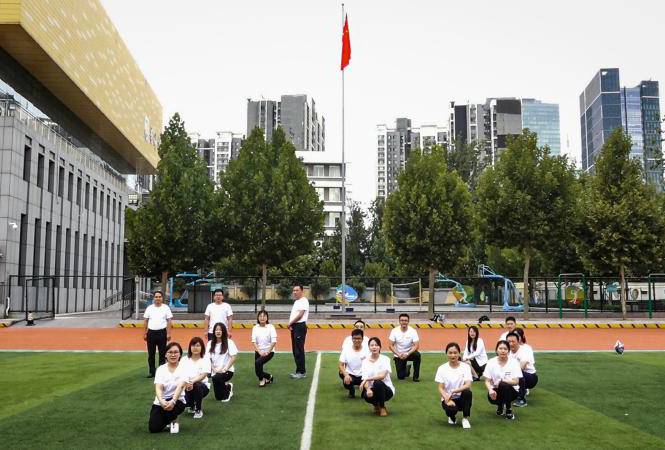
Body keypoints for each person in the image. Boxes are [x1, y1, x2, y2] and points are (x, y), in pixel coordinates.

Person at [148, 342, 187, 434]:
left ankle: (174, 419)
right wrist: (161, 401)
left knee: (172, 409)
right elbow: (159, 387)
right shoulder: (160, 369)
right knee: (153, 428)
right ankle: (169, 418)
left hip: (177, 401)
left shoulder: (184, 368)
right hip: (161, 401)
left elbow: (180, 386)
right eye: (170, 352)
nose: (173, 355)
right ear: (165, 354)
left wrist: (173, 401)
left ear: (180, 354)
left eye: (176, 352)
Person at [435, 342, 473, 429]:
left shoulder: (465, 367)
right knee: (451, 410)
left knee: (468, 392)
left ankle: (465, 418)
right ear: (446, 354)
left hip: (461, 397)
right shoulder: (442, 368)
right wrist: (447, 399)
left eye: (455, 353)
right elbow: (440, 387)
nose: (453, 355)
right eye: (450, 353)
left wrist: (453, 391)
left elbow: (468, 384)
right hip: (448, 398)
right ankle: (452, 417)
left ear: (459, 353)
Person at [484, 340, 522, 420]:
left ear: (508, 351)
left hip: (512, 391)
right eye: (500, 348)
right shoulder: (491, 362)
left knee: (504, 385)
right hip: (496, 390)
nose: (503, 351)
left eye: (505, 349)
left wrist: (502, 381)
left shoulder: (514, 362)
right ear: (496, 350)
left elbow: (516, 381)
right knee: (493, 396)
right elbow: (487, 381)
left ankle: (509, 409)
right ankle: (500, 405)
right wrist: (490, 390)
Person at [360, 337, 395, 416]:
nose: (374, 347)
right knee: (366, 395)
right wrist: (368, 389)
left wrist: (367, 379)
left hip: (386, 390)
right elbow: (365, 377)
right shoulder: (365, 361)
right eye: (372, 345)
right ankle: (376, 405)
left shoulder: (385, 359)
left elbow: (382, 376)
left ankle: (382, 407)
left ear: (380, 347)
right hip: (373, 389)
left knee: (377, 383)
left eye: (376, 345)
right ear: (369, 347)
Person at [143, 290, 173, 378]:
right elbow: (145, 321)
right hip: (151, 333)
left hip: (162, 333)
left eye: (159, 297)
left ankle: (161, 372)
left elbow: (169, 321)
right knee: (151, 353)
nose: (158, 298)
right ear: (153, 298)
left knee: (162, 353)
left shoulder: (166, 308)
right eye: (156, 297)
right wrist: (144, 333)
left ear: (162, 298)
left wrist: (168, 333)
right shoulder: (149, 308)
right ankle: (152, 372)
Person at [180, 337, 211, 419]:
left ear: (202, 347)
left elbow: (203, 375)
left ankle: (198, 409)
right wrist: (187, 383)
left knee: (198, 385)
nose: (195, 348)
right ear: (190, 347)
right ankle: (191, 405)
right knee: (184, 403)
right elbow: (181, 374)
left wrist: (191, 382)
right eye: (193, 345)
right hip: (186, 386)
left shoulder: (205, 359)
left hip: (202, 387)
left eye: (198, 345)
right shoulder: (184, 359)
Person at [207, 322, 238, 402]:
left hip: (227, 371)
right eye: (216, 330)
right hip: (215, 372)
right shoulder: (210, 343)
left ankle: (227, 393)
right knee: (218, 397)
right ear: (214, 332)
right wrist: (214, 369)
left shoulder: (229, 342)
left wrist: (225, 369)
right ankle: (228, 386)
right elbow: (208, 358)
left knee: (217, 378)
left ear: (223, 331)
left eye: (220, 330)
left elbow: (234, 357)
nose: (218, 331)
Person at [506, 331, 538, 407]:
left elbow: (521, 367)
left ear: (518, 341)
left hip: (531, 378)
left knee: (518, 373)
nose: (511, 344)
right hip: (516, 377)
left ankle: (522, 399)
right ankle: (516, 392)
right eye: (509, 342)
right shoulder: (507, 352)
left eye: (513, 341)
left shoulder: (524, 350)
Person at [388, 313, 421, 382]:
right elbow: (390, 345)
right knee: (401, 377)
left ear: (408, 321)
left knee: (417, 355)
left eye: (406, 320)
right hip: (399, 354)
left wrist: (407, 353)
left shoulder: (413, 331)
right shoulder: (394, 331)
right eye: (402, 320)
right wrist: (398, 354)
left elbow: (416, 345)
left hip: (410, 353)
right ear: (399, 321)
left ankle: (415, 377)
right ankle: (406, 369)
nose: (404, 322)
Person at [338, 329, 370, 398]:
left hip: (364, 375)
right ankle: (351, 390)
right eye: (354, 338)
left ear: (362, 339)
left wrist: (368, 377)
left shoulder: (367, 350)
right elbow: (341, 365)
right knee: (346, 382)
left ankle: (364, 391)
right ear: (352, 339)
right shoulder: (346, 349)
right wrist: (346, 375)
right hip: (351, 375)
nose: (356, 340)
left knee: (366, 396)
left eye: (359, 338)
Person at [288, 284, 309, 379]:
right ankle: (298, 371)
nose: (295, 292)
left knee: (299, 350)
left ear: (301, 291)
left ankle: (302, 372)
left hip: (300, 327)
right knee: (295, 350)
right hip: (295, 327)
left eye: (297, 290)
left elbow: (300, 315)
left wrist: (290, 323)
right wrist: (291, 325)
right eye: (294, 290)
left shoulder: (304, 301)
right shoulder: (297, 302)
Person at [252, 309, 277, 387]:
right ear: (258, 318)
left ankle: (261, 380)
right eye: (260, 316)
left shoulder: (271, 327)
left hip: (269, 351)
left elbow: (274, 341)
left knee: (258, 362)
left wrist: (267, 352)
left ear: (267, 318)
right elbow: (254, 341)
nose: (262, 318)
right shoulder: (255, 327)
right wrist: (259, 352)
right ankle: (269, 377)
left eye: (264, 316)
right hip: (258, 351)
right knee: (257, 372)